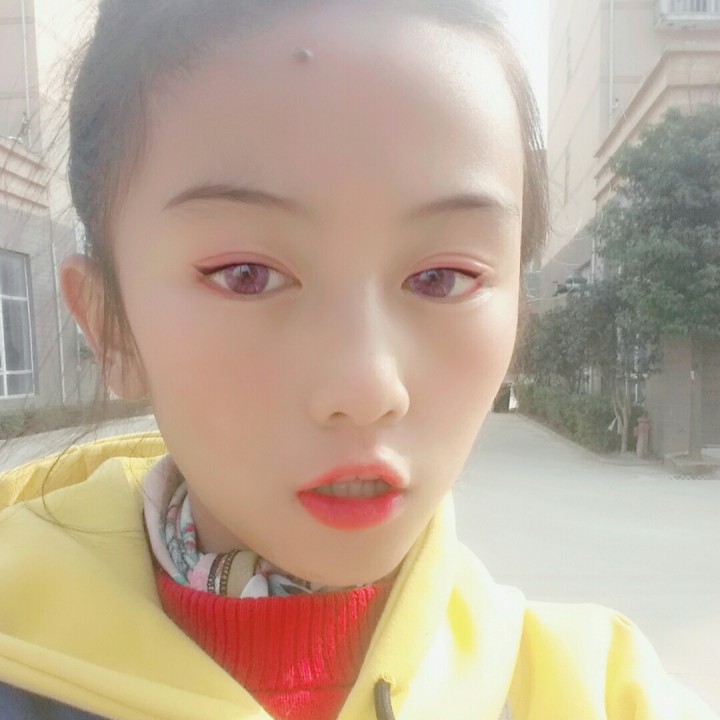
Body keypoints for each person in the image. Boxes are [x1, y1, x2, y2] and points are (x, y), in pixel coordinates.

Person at [0, 1, 716, 718]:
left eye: (443, 278)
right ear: (110, 327)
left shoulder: (593, 693)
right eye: (247, 275)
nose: (368, 387)